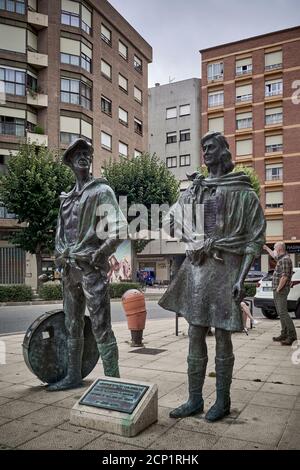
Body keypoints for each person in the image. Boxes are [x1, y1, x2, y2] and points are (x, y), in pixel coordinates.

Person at [159, 131, 266, 421]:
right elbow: (169, 222)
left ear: (224, 152)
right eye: (203, 147)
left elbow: (254, 240)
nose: (205, 152)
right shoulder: (195, 189)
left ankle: (223, 401)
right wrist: (192, 239)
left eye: (211, 147)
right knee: (194, 333)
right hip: (197, 273)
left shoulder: (243, 191)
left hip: (226, 271)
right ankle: (194, 399)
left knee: (222, 336)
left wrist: (241, 279)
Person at [48, 138, 127, 391]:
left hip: (92, 269)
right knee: (72, 323)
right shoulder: (66, 199)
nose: (83, 157)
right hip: (70, 270)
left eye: (86, 153)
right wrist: (59, 256)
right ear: (70, 161)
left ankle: (113, 382)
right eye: (77, 154)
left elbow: (120, 229)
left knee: (101, 325)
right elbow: (60, 235)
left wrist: (101, 253)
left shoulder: (101, 191)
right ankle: (73, 376)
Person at [264, 243, 297, 345]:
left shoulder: (285, 260)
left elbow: (285, 276)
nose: (274, 250)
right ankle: (284, 334)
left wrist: (278, 289)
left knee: (283, 313)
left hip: (281, 290)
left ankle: (292, 336)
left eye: (274, 248)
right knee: (280, 313)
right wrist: (266, 248)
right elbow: (274, 255)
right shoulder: (281, 258)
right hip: (278, 290)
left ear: (279, 249)